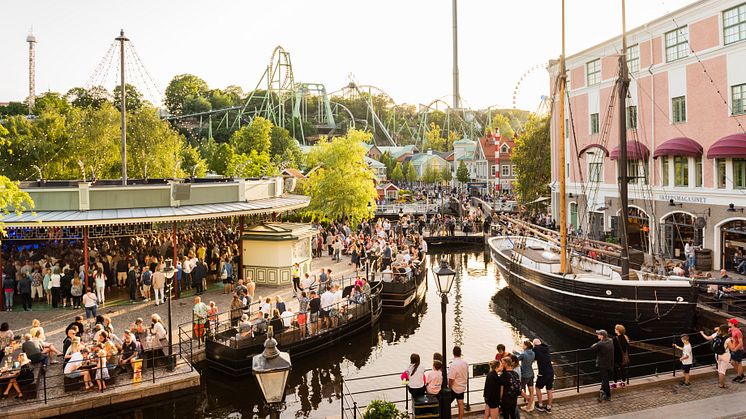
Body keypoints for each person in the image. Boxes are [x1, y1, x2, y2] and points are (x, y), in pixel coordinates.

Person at [592, 329, 614, 401]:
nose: (597, 335)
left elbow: (592, 349)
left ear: (602, 336)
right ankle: (602, 390)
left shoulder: (600, 344)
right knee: (606, 378)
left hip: (602, 365)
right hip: (610, 363)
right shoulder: (610, 341)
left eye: (598, 334)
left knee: (605, 380)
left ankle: (608, 396)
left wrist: (596, 344)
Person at [532, 338, 554, 413]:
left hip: (543, 373)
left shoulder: (535, 350)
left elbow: (532, 358)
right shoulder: (546, 348)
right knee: (549, 390)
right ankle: (549, 407)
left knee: (537, 387)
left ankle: (540, 405)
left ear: (534, 345)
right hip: (551, 372)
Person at [514, 340, 536, 412]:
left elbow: (517, 359)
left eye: (523, 345)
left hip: (525, 375)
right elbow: (522, 356)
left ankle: (529, 401)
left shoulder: (524, 354)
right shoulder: (533, 353)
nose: (522, 346)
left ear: (526, 346)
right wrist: (517, 353)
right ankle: (529, 406)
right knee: (531, 391)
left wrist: (515, 353)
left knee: (518, 389)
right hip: (531, 374)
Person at [448, 346, 468, 419]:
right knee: (461, 404)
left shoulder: (453, 365)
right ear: (460, 353)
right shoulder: (465, 363)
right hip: (462, 386)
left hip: (454, 387)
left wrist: (449, 387)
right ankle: (460, 418)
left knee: (446, 404)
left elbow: (451, 378)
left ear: (453, 353)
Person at [611, 324, 629, 388]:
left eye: (615, 329)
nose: (615, 330)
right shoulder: (625, 338)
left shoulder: (615, 339)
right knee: (623, 370)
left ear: (618, 330)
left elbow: (613, 348)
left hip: (616, 357)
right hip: (623, 357)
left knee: (615, 370)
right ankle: (623, 382)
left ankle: (614, 384)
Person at [728, 318, 745, 383]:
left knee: (739, 363)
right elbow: (727, 329)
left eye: (729, 322)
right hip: (734, 349)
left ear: (733, 324)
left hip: (738, 350)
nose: (728, 323)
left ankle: (740, 376)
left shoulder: (738, 332)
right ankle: (741, 375)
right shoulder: (732, 330)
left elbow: (741, 343)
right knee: (732, 362)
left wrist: (735, 349)